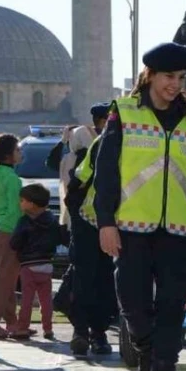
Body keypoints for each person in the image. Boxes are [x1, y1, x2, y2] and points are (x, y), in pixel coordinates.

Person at [86, 42, 186, 371]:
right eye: (168, 77)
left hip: (178, 232)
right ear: (149, 75)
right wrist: (106, 222)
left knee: (172, 309)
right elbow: (106, 173)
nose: (174, 85)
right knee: (132, 303)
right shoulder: (124, 114)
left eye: (180, 78)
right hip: (130, 228)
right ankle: (147, 354)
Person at [66, 105, 118, 356]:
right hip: (90, 221)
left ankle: (98, 333)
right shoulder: (100, 144)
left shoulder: (142, 143)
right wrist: (77, 216)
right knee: (86, 277)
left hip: (123, 223)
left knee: (105, 279)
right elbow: (77, 182)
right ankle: (82, 332)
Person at [0, 134, 24, 339]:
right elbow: (17, 209)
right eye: (18, 150)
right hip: (10, 229)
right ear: (8, 155)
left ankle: (12, 322)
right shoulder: (12, 178)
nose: (20, 153)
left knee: (6, 276)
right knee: (5, 278)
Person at [9, 184, 61, 340]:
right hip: (46, 264)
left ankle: (22, 328)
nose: (20, 203)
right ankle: (48, 329)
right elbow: (58, 238)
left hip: (28, 265)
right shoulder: (52, 220)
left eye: (22, 200)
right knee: (46, 300)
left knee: (27, 299)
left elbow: (15, 243)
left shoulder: (24, 222)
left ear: (31, 203)